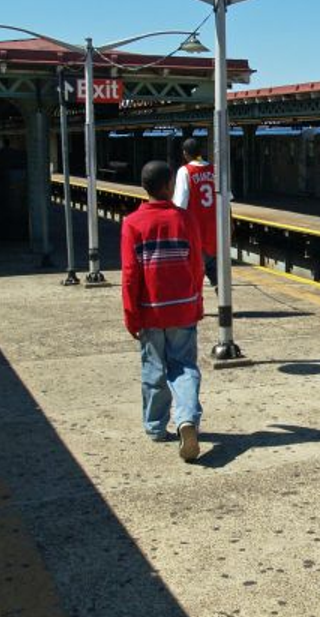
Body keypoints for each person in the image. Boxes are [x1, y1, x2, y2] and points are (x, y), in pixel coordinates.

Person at [121, 160, 206, 462]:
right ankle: (186, 419)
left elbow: (131, 275)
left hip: (150, 311)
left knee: (153, 369)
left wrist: (131, 315)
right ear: (169, 186)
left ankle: (156, 427)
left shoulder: (132, 223)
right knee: (183, 367)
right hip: (182, 309)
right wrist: (197, 302)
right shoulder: (185, 220)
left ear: (144, 186)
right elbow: (197, 265)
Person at [171, 138, 218, 288]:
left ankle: (196, 307)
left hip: (195, 232)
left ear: (185, 153)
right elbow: (226, 201)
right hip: (215, 232)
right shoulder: (215, 169)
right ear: (201, 151)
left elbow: (180, 205)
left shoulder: (185, 171)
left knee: (193, 274)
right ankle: (225, 306)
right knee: (216, 272)